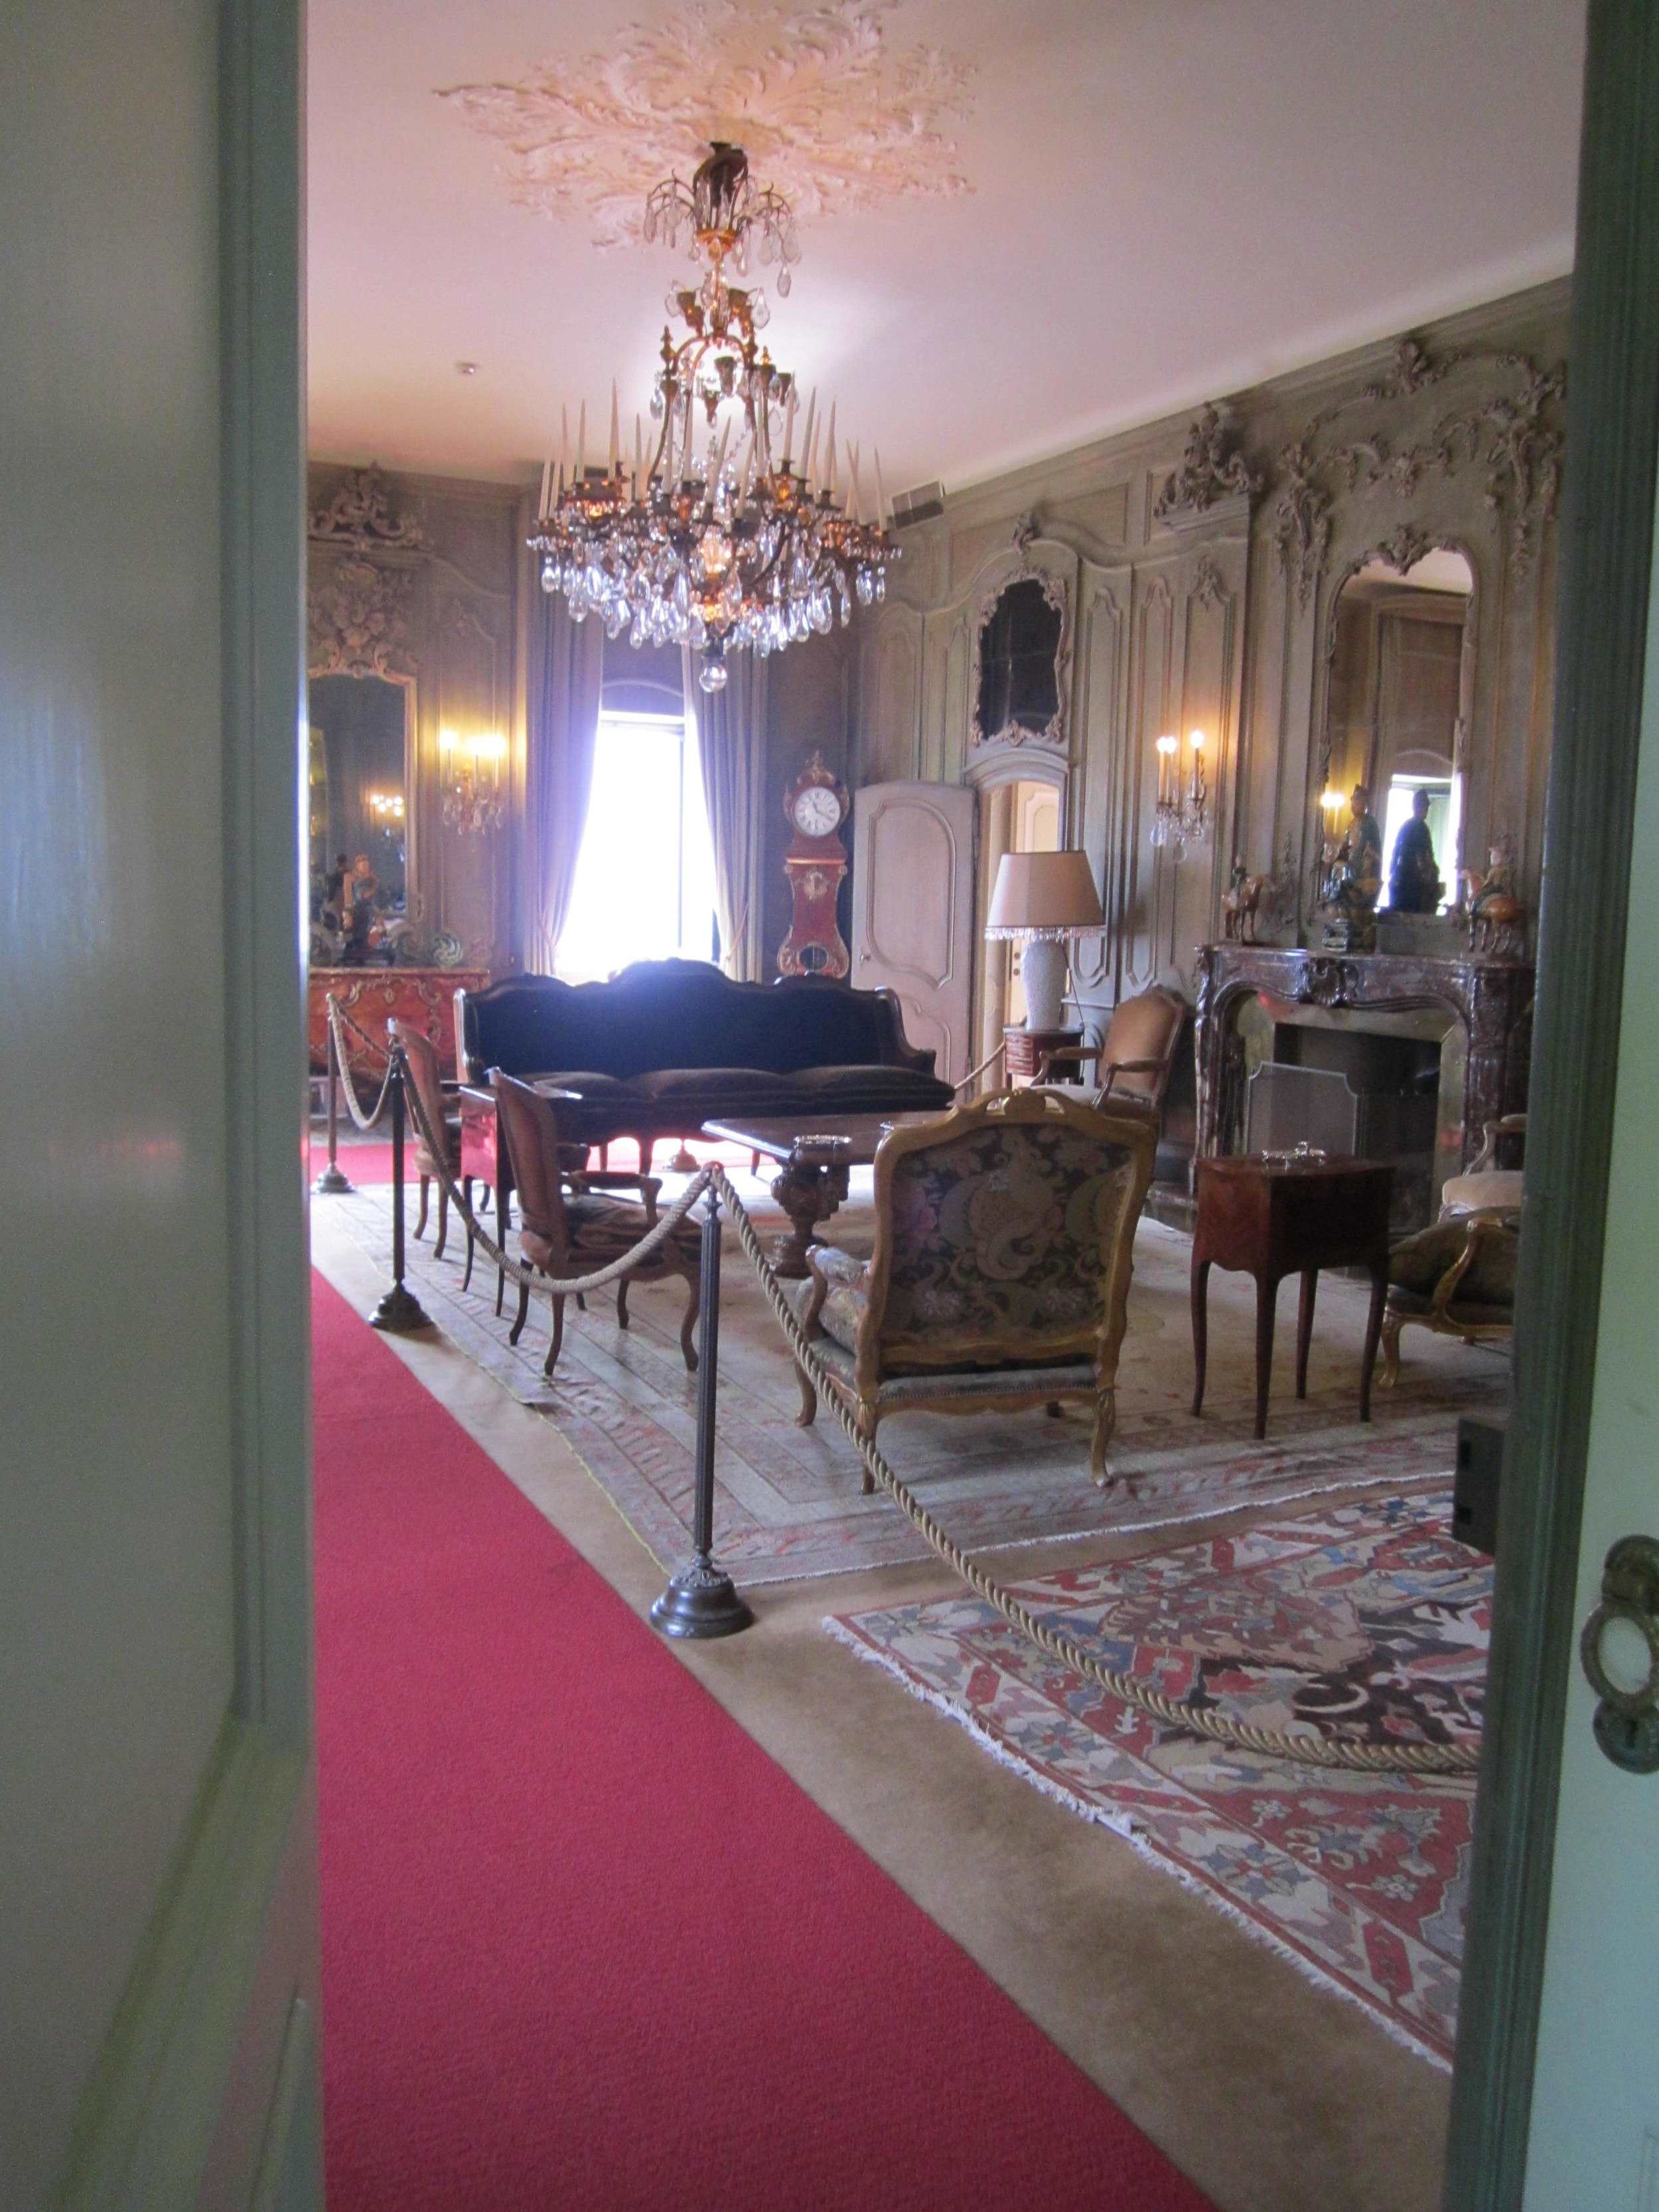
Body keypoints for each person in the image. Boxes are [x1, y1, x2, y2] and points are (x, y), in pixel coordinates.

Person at [1389, 788, 1442, 912]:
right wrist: (1432, 874)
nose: (1426, 811)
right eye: (1425, 807)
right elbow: (1424, 857)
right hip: (1413, 884)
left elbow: (1395, 855)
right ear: (1419, 807)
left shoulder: (1405, 826)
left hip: (1399, 880)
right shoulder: (1421, 828)